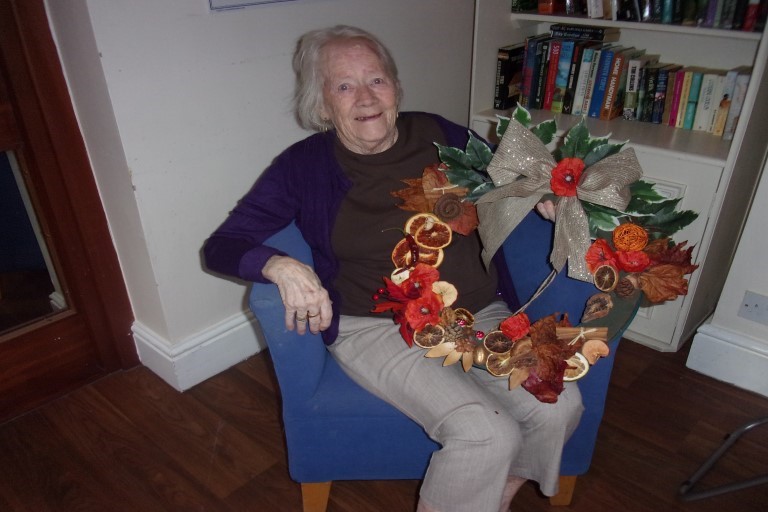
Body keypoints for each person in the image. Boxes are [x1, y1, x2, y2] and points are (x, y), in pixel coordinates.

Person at [203, 25, 580, 512]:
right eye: (343, 86)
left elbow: (510, 176)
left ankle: (500, 491)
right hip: (379, 327)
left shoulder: (443, 135)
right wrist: (279, 265)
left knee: (558, 404)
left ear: (396, 88)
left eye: (376, 80)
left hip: (480, 312)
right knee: (484, 432)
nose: (365, 97)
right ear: (321, 105)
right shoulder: (302, 167)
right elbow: (222, 244)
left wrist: (544, 189)